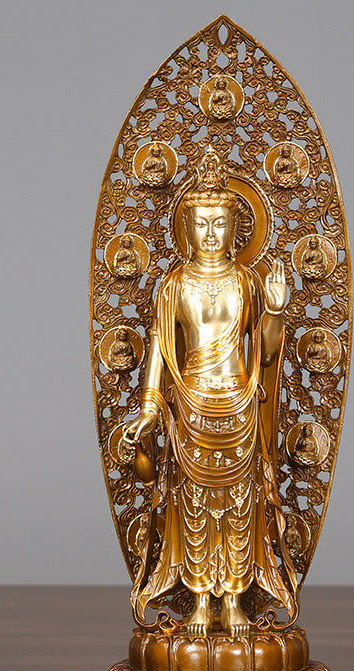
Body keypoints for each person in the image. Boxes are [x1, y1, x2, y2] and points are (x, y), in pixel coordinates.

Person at [121, 152, 298, 635]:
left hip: (239, 404)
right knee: (193, 505)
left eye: (220, 223)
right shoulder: (174, 285)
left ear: (236, 228)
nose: (212, 233)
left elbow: (264, 353)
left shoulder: (246, 282)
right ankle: (200, 601)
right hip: (191, 404)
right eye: (202, 223)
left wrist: (275, 311)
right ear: (186, 229)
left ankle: (235, 600)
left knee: (241, 505)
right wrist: (150, 408)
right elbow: (160, 350)